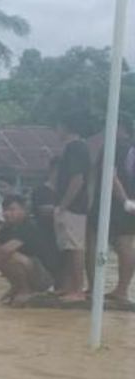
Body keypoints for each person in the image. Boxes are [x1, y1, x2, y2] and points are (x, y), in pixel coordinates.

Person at [88, 119, 135, 302]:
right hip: (127, 203)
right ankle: (122, 290)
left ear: (120, 128)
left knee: (95, 240)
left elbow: (110, 176)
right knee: (125, 245)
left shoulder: (113, 147)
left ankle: (96, 287)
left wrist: (124, 201)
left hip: (115, 203)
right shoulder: (129, 147)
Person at [0, 194, 58, 305]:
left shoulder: (28, 226)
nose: (7, 213)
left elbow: (6, 250)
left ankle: (25, 289)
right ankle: (17, 287)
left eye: (12, 209)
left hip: (45, 275)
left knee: (7, 255)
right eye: (5, 210)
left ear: (24, 210)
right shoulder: (8, 227)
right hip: (31, 268)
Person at [54, 116, 91, 302]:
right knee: (68, 247)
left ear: (65, 126)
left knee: (75, 248)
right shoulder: (74, 147)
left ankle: (78, 289)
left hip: (73, 207)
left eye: (58, 126)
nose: (56, 130)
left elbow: (77, 179)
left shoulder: (76, 147)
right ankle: (70, 286)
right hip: (70, 206)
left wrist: (63, 205)